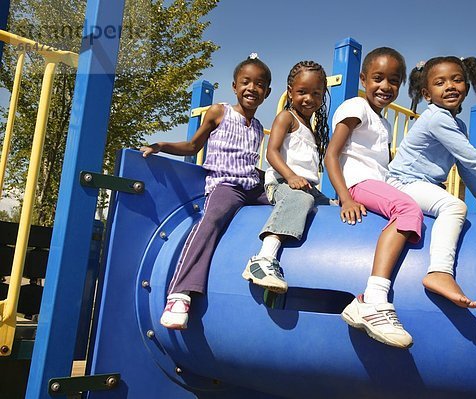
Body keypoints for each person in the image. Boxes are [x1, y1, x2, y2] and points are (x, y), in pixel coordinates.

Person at [387, 56, 476, 309]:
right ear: (427, 93)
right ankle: (439, 272)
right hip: (403, 182)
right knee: (454, 207)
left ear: (466, 86)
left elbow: (465, 168)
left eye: (457, 80)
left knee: (454, 202)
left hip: (422, 185)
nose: (450, 86)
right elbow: (474, 159)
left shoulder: (457, 124)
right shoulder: (436, 118)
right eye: (440, 82)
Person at [140, 55, 272, 329]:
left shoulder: (259, 128)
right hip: (226, 185)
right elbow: (192, 146)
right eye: (246, 82)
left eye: (259, 84)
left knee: (283, 201)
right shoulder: (219, 112)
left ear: (267, 93)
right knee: (210, 220)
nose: (252, 88)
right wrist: (162, 145)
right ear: (234, 86)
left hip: (251, 185)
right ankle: (179, 294)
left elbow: (249, 163)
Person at [324, 47, 423, 349]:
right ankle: (373, 299)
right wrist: (345, 197)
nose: (386, 86)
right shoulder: (356, 106)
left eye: (394, 81)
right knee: (408, 208)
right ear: (364, 79)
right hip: (357, 183)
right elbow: (331, 154)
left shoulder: (384, 122)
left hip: (375, 182)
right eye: (378, 78)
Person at [243, 60, 332, 293]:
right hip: (282, 183)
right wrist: (290, 176)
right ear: (290, 92)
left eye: (316, 93)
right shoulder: (286, 118)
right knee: (301, 200)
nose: (308, 99)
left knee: (333, 207)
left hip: (306, 187)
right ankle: (263, 259)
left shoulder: (311, 128)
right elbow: (271, 153)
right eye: (302, 92)